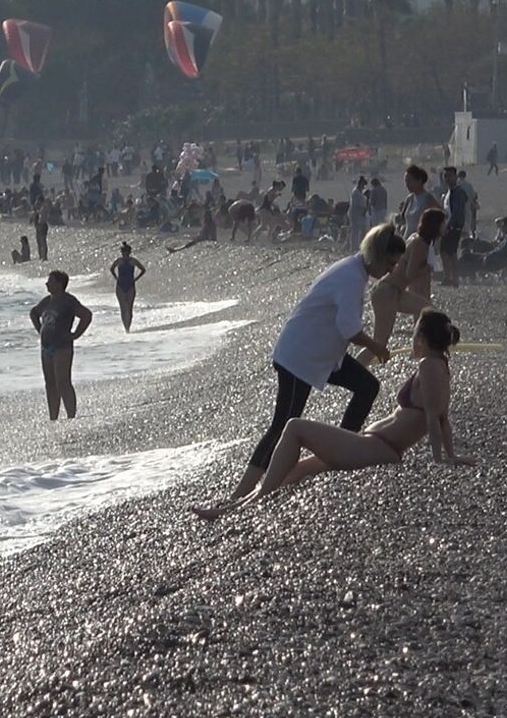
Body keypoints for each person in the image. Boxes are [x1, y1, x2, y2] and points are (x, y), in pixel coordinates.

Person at [192, 310, 475, 521]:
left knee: (294, 427)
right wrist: (448, 455)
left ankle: (241, 505)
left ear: (423, 338)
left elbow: (436, 418)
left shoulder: (430, 365)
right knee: (294, 470)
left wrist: (443, 458)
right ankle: (235, 508)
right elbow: (440, 417)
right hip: (372, 444)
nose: (412, 340)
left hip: (377, 448)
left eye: (414, 333)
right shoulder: (437, 365)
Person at [217, 224, 406, 502]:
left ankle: (342, 448)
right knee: (282, 423)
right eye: (389, 262)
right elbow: (350, 330)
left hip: (323, 356)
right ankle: (239, 494)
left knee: (367, 386)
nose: (391, 270)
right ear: (376, 255)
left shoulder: (355, 271)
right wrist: (377, 346)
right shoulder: (351, 277)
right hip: (299, 356)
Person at [358, 209, 441, 366]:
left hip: (394, 290)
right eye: (443, 223)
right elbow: (410, 273)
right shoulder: (420, 244)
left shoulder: (419, 240)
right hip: (387, 291)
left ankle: (419, 352)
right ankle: (353, 370)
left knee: (428, 309)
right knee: (379, 342)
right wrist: (427, 268)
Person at [29, 271, 93, 420]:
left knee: (63, 382)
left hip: (62, 347)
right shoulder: (46, 301)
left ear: (59, 284)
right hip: (46, 348)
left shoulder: (68, 301)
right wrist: (40, 329)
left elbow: (86, 315)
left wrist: (76, 334)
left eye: (50, 281)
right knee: (50, 383)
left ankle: (71, 416)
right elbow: (33, 313)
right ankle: (53, 418)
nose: (47, 284)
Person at [440, 167, 468, 287]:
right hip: (449, 225)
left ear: (456, 177)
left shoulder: (458, 192)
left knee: (448, 252)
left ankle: (452, 278)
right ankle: (450, 278)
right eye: (445, 176)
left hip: (453, 226)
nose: (447, 178)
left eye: (450, 176)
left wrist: (450, 226)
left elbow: (457, 212)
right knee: (448, 252)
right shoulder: (448, 193)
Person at [109, 242, 147, 332]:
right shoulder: (118, 261)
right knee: (123, 307)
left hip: (130, 285)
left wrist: (136, 279)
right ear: (122, 252)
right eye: (123, 252)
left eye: (126, 252)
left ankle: (128, 327)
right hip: (120, 285)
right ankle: (126, 327)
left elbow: (143, 270)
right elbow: (111, 269)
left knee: (129, 308)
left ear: (129, 252)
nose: (125, 254)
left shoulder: (133, 261)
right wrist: (116, 277)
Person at [397, 164, 440, 240]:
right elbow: (402, 220)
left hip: (422, 242)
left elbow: (441, 217)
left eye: (409, 181)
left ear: (419, 180)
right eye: (405, 181)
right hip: (408, 241)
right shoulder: (409, 199)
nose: (406, 185)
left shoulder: (428, 198)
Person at [348, 177, 369, 249]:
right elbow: (360, 204)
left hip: (360, 214)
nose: (364, 187)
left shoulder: (359, 192)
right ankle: (353, 246)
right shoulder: (355, 193)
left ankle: (358, 245)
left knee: (360, 230)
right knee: (355, 230)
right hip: (355, 214)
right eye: (363, 185)